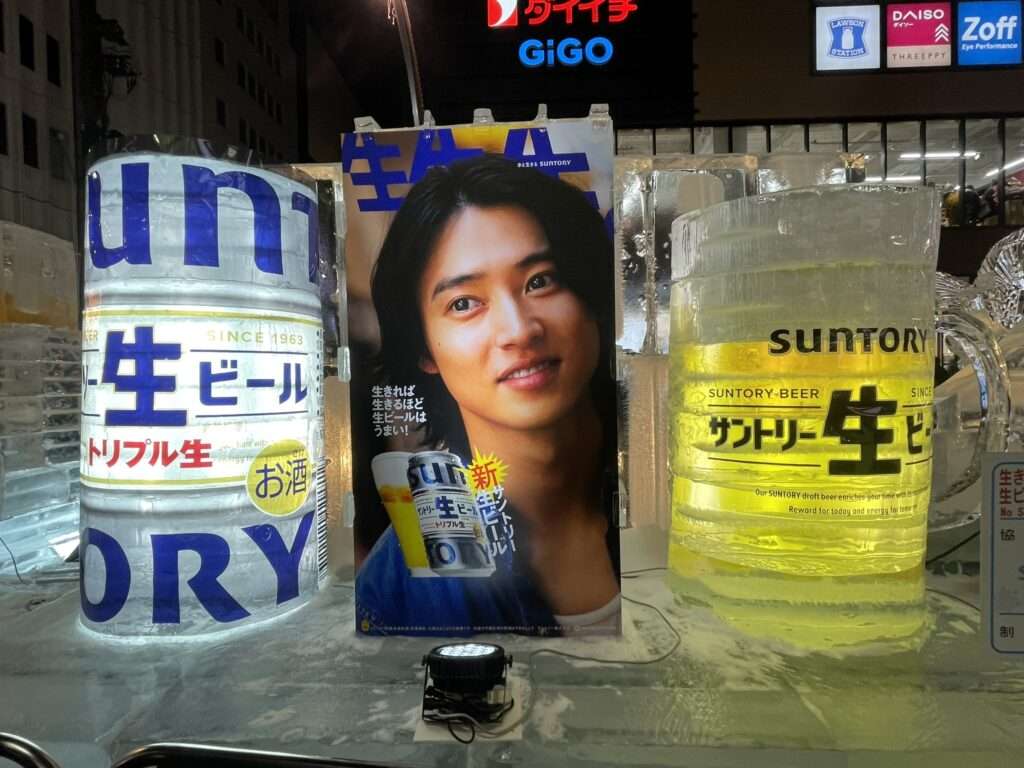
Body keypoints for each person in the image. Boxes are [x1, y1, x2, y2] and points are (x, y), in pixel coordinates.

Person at [355, 154, 620, 635]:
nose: (518, 331)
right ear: (423, 349)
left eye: (540, 281)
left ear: (590, 297)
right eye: (464, 304)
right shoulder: (398, 587)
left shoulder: (672, 502)